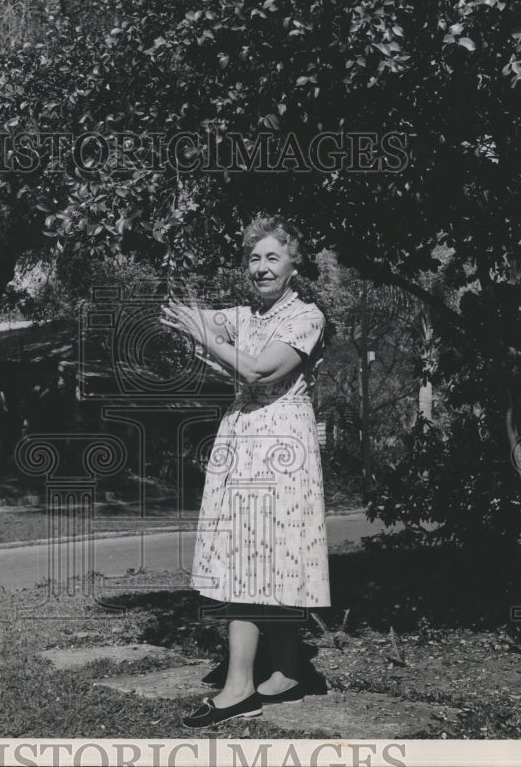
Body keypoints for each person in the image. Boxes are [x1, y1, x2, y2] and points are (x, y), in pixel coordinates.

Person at [160, 215, 331, 728]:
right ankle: (287, 671)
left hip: (280, 445)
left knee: (257, 559)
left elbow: (258, 370)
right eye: (253, 258)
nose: (261, 267)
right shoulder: (244, 315)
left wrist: (202, 334)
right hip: (243, 440)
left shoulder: (308, 317)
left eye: (272, 257)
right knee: (259, 552)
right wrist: (181, 310)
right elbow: (196, 318)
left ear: (294, 264)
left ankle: (239, 690)